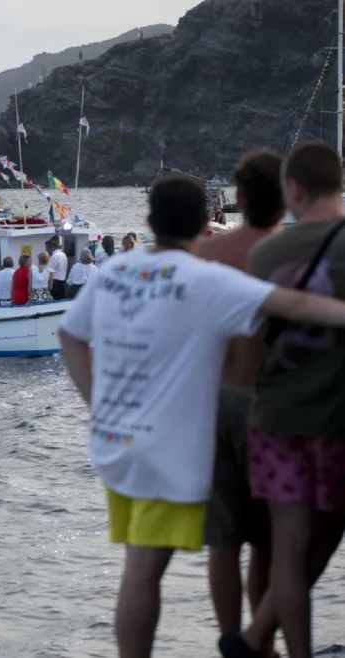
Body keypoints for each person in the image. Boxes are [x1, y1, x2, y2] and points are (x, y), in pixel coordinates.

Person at [59, 172, 345, 658]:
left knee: (139, 561)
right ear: (203, 224)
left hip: (115, 443)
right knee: (145, 569)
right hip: (164, 448)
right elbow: (293, 304)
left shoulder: (113, 272)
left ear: (150, 222)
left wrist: (96, 405)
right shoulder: (206, 282)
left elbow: (70, 335)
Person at [220, 142, 345, 658]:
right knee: (322, 536)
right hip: (339, 421)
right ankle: (256, 639)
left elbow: (247, 348)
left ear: (293, 189)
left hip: (276, 420)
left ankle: (270, 645)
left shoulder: (266, 254)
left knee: (287, 553)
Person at [187, 149, 284, 658]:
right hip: (268, 406)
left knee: (223, 540)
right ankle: (261, 644)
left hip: (211, 404)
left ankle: (229, 639)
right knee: (268, 539)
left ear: (238, 198)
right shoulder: (291, 253)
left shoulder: (205, 255)